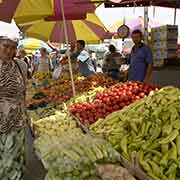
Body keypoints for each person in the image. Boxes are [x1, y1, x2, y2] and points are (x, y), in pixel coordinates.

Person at [0, 35, 29, 179]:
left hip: (17, 121)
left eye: (13, 47)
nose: (9, 50)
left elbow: (24, 91)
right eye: (5, 46)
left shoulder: (20, 65)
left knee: (16, 159)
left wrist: (25, 114)